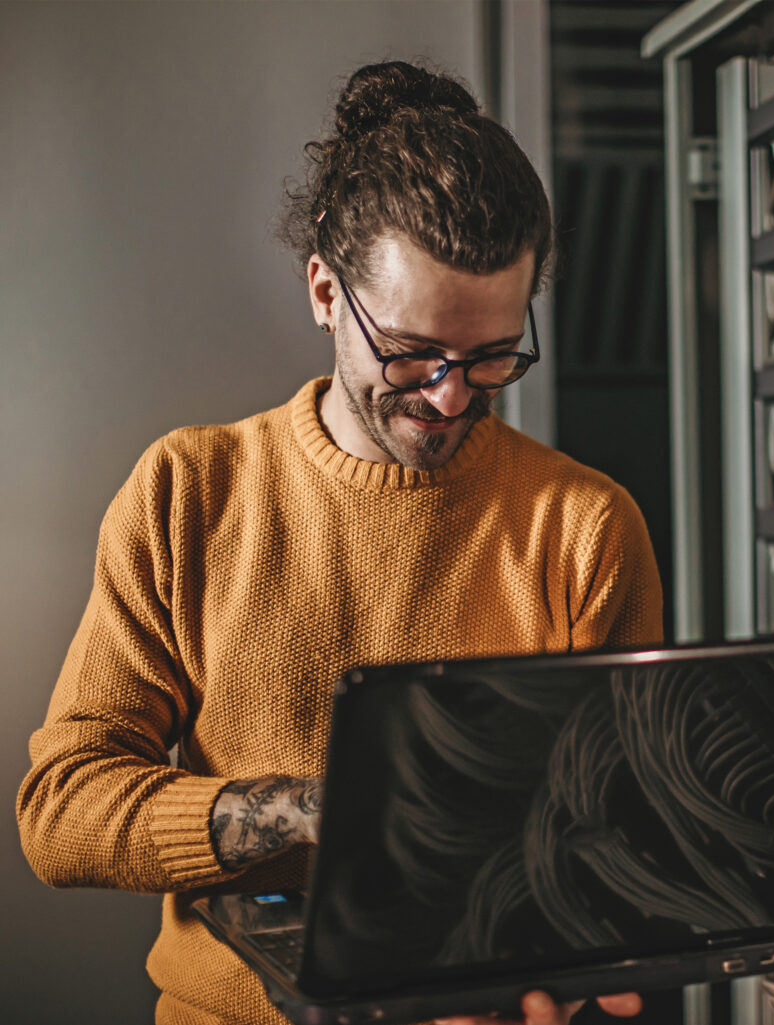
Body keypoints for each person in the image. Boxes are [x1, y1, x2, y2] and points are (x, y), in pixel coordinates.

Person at [16, 61, 662, 1025]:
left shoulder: (585, 525)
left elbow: (615, 829)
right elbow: (62, 811)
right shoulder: (189, 492)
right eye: (411, 353)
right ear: (324, 291)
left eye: (492, 356)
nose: (451, 395)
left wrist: (577, 947)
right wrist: (314, 806)